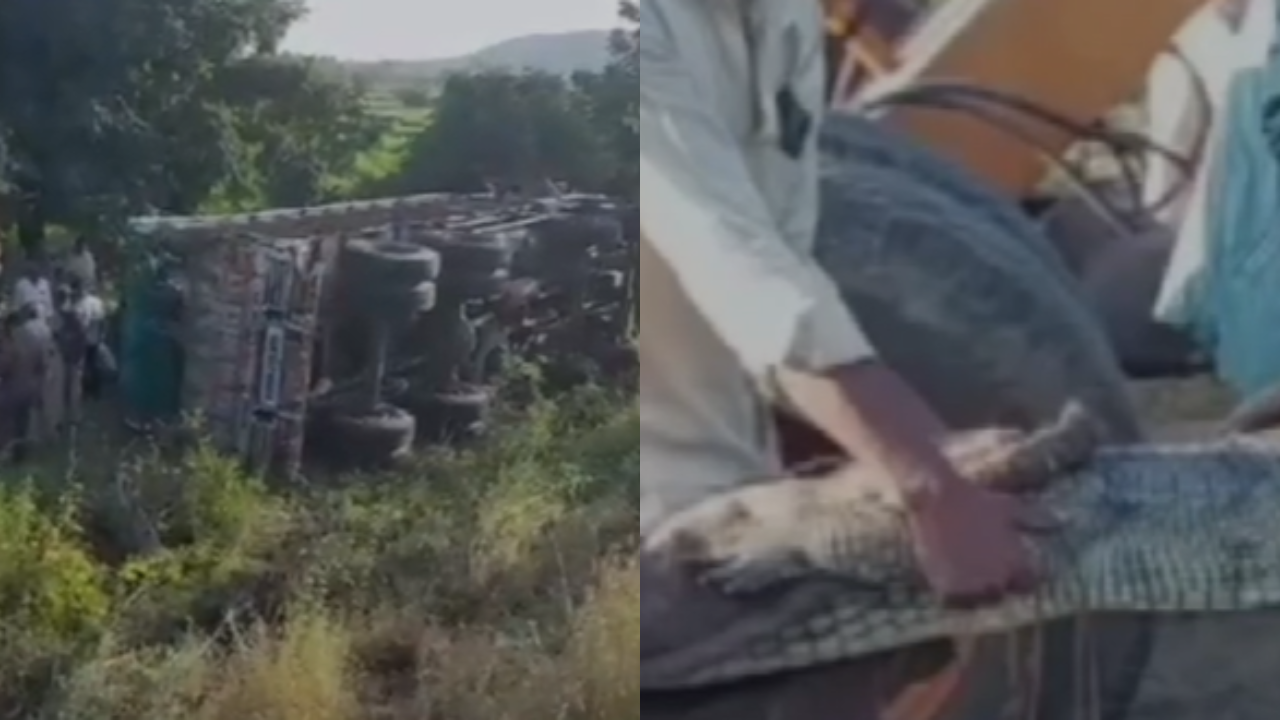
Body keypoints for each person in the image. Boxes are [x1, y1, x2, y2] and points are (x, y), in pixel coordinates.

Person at [640, 0, 1047, 607]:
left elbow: (778, 244)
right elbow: (740, 269)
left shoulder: (781, 21)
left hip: (720, 497)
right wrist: (928, 481)